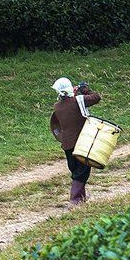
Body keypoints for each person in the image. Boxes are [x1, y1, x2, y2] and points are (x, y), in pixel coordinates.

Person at [51, 77, 101, 207]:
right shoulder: (78, 100)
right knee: (82, 171)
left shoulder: (57, 107)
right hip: (82, 141)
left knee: (75, 170)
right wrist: (83, 90)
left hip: (67, 144)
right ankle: (75, 199)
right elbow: (96, 97)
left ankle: (82, 197)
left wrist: (74, 93)